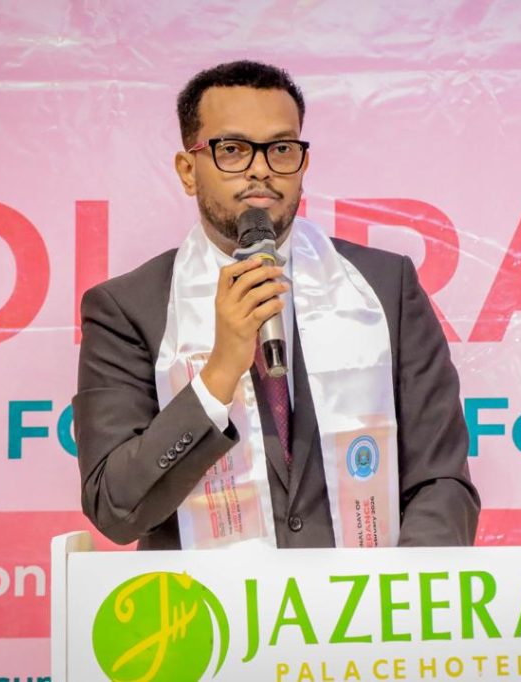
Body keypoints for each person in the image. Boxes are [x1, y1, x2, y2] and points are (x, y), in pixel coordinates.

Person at [73, 60, 479, 550]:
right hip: (205, 598)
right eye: (233, 149)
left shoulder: (383, 288)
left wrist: (397, 587)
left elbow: (441, 480)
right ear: (188, 170)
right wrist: (219, 373)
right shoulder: (127, 309)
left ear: (302, 164)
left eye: (281, 148)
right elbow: (115, 509)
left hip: (362, 596)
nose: (261, 168)